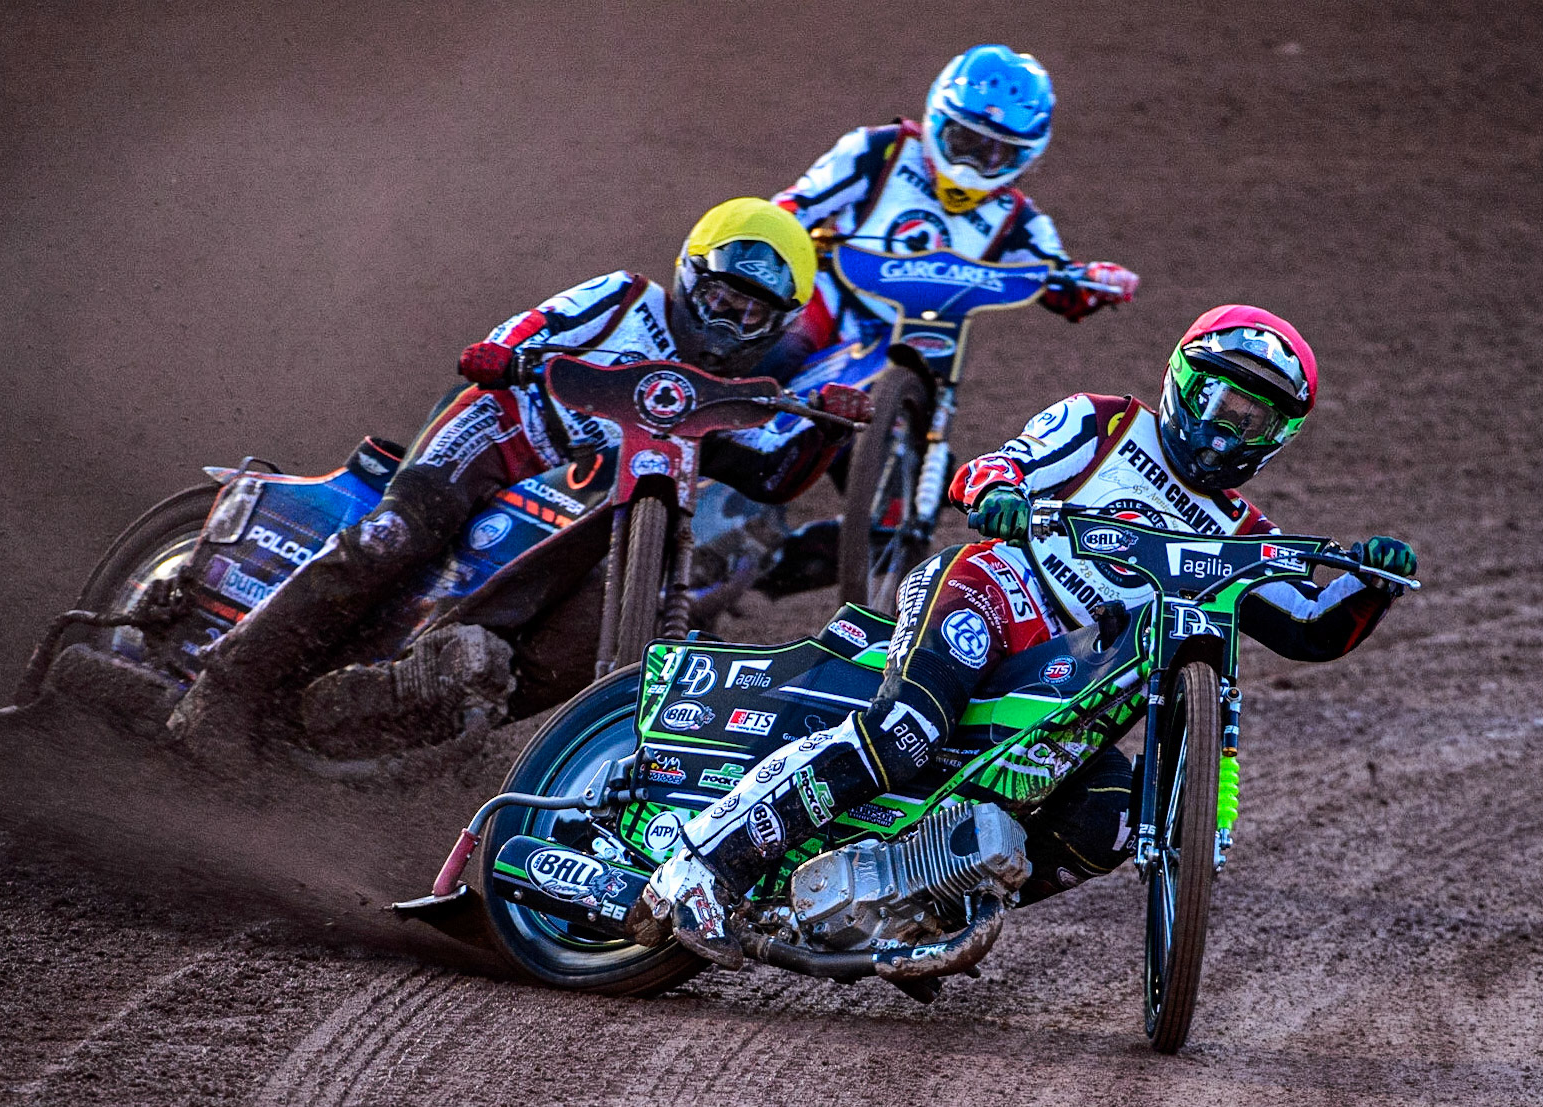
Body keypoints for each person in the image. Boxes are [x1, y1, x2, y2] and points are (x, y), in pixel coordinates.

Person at [637, 304, 1418, 968]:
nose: (1224, 427)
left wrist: (1369, 580)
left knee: (1111, 811)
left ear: (1277, 434)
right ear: (1182, 380)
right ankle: (707, 861)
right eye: (1216, 399)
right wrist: (1003, 493)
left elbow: (1313, 628)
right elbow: (990, 468)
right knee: (906, 728)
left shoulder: (1244, 534)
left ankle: (925, 903)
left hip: (1069, 685)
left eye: (1250, 417)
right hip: (993, 591)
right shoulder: (1103, 423)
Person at [168, 198, 876, 751]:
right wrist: (501, 353)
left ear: (777, 323)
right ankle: (224, 692)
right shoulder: (626, 297)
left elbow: (772, 477)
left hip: (585, 521)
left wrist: (825, 422)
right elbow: (533, 324)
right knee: (394, 534)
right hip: (500, 439)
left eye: (753, 311)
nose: (730, 319)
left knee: (580, 646)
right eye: (724, 296)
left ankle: (391, 716)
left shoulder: (730, 395)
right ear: (691, 273)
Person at [763, 44, 1140, 370]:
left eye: (996, 152)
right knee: (780, 351)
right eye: (964, 141)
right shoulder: (880, 149)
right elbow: (796, 204)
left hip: (921, 338)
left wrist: (1100, 279)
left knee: (910, 427)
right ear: (937, 120)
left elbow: (1060, 280)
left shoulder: (1018, 220)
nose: (971, 165)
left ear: (1023, 157)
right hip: (832, 298)